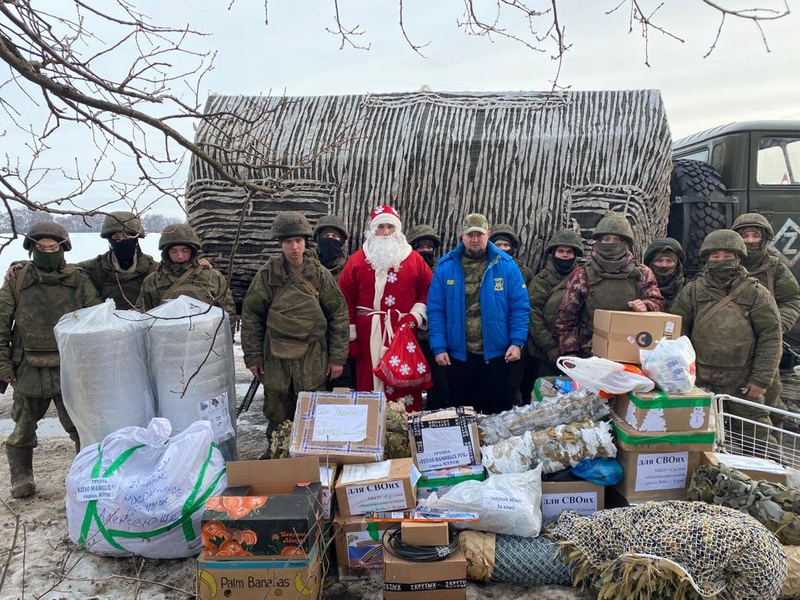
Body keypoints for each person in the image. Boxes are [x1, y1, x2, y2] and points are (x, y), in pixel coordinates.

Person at [0, 222, 102, 498]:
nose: (47, 251)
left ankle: (85, 477)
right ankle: (21, 478)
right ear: (32, 248)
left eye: (52, 247)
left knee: (80, 427)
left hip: (69, 367)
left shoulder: (78, 280)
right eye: (41, 247)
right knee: (22, 428)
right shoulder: (17, 280)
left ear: (63, 248)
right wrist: (4, 365)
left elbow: (95, 321)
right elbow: (1, 324)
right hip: (28, 367)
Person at [240, 212, 349, 449]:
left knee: (313, 414)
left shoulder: (319, 274)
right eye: (288, 242)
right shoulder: (267, 276)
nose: (294, 247)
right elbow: (251, 317)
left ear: (306, 242)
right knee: (277, 413)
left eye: (299, 241)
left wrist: (337, 358)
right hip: (276, 358)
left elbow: (338, 315)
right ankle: (279, 458)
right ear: (281, 244)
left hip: (312, 356)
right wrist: (254, 357)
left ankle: (312, 462)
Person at [670, 230, 782, 449]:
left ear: (738, 257)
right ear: (707, 259)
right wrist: (681, 375)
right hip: (700, 381)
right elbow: (676, 330)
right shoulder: (693, 291)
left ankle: (770, 480)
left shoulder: (756, 293)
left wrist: (760, 379)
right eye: (715, 256)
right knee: (700, 441)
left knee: (758, 442)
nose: (721, 260)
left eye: (727, 255)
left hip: (743, 382)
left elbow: (771, 336)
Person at [427, 213, 530, 415]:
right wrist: (439, 347)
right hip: (458, 356)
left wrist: (517, 342)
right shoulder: (445, 267)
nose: (475, 239)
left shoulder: (506, 266)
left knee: (495, 412)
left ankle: (491, 448)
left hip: (496, 355)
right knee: (460, 413)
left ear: (488, 235)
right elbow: (436, 311)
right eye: (470, 234)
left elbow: (520, 307)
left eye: (479, 235)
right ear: (462, 236)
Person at [338, 205, 433, 411]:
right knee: (369, 383)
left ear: (397, 230)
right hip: (367, 335)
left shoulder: (414, 260)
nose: (386, 232)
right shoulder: (357, 261)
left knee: (404, 383)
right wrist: (351, 337)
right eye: (380, 227)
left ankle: (404, 429)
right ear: (372, 231)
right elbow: (344, 300)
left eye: (390, 227)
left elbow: (429, 290)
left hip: (403, 331)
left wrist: (415, 317)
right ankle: (371, 429)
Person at [557, 213, 664, 357]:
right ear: (599, 241)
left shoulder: (642, 273)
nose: (612, 243)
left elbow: (658, 303)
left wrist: (646, 305)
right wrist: (571, 354)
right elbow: (566, 318)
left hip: (631, 352)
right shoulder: (583, 275)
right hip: (590, 353)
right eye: (606, 239)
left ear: (626, 243)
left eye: (617, 239)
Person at [732, 212, 800, 423]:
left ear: (764, 238)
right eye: (745, 236)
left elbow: (792, 299)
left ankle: (771, 453)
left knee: (769, 401)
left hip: (765, 347)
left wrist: (776, 326)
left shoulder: (775, 268)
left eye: (755, 236)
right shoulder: (726, 264)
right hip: (732, 346)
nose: (750, 241)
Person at [136, 223, 235, 324]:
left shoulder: (212, 276)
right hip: (166, 337)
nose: (180, 256)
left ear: (192, 251)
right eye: (173, 251)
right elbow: (143, 316)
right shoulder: (153, 280)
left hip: (206, 337)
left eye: (185, 250)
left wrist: (225, 338)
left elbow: (228, 313)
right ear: (166, 253)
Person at [488, 224, 535, 404]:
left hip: (516, 338)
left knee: (512, 386)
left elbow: (525, 307)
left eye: (506, 245)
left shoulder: (524, 272)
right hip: (491, 339)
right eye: (497, 245)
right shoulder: (484, 269)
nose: (502, 249)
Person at [528, 229, 584, 378]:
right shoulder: (542, 280)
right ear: (553, 253)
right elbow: (533, 313)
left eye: (569, 252)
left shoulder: (583, 279)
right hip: (548, 353)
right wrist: (548, 346)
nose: (565, 255)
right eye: (560, 251)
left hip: (577, 351)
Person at [406, 224, 449, 409]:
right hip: (412, 337)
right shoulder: (405, 271)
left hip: (438, 339)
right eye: (421, 247)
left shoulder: (443, 271)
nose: (426, 251)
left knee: (440, 385)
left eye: (429, 247)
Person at [643, 237, 686, 310]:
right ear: (651, 263)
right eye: (659, 260)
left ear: (677, 264)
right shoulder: (640, 287)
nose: (664, 265)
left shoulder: (687, 289)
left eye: (669, 261)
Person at [312, 215, 349, 281]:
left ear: (341, 241)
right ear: (318, 239)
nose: (330, 238)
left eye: (334, 236)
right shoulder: (306, 262)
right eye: (326, 236)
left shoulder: (349, 265)